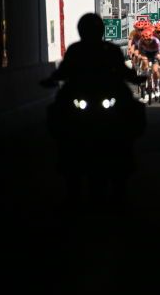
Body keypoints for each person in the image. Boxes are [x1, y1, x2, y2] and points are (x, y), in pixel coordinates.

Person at [41, 13, 146, 210]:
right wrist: (51, 79)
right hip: (80, 95)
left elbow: (123, 71)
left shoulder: (110, 49)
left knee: (131, 106)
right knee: (58, 107)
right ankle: (68, 168)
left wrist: (135, 78)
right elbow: (64, 70)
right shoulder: (75, 50)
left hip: (109, 94)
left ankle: (123, 168)